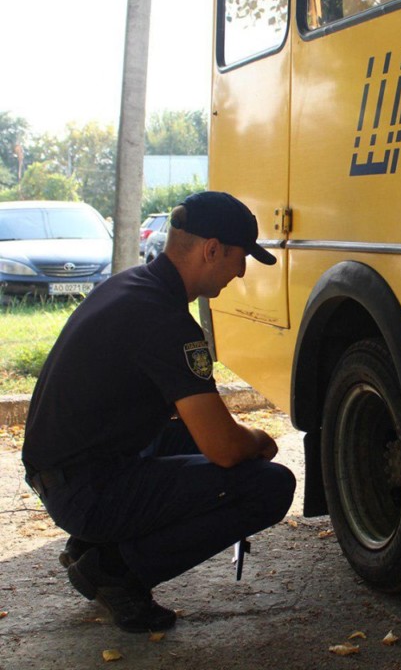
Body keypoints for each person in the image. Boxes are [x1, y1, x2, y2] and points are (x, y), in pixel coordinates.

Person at [21, 191, 296, 633]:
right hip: (84, 491)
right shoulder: (166, 321)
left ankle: (90, 544)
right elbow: (224, 449)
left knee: (196, 441)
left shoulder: (130, 286)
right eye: (240, 257)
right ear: (211, 249)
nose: (241, 271)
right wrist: (260, 441)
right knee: (268, 484)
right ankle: (113, 567)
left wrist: (233, 440)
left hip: (64, 472)